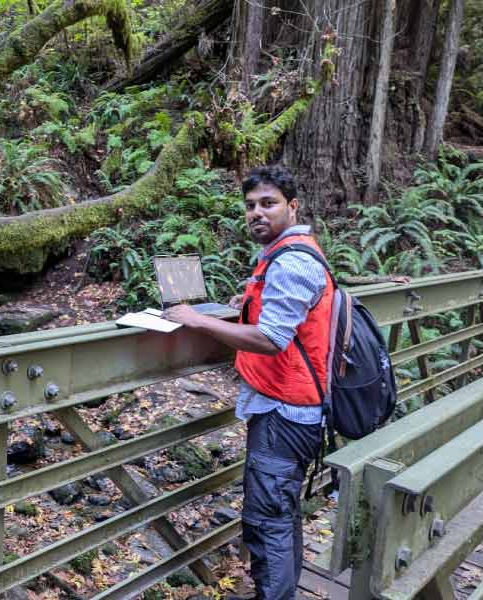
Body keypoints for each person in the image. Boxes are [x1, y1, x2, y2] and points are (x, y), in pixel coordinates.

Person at [164, 165, 328, 600]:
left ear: (292, 207)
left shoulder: (291, 260)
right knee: (282, 513)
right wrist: (249, 300)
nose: (257, 212)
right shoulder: (285, 252)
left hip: (285, 412)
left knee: (266, 520)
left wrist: (196, 320)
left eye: (268, 203)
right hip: (294, 408)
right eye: (251, 206)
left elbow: (272, 339)